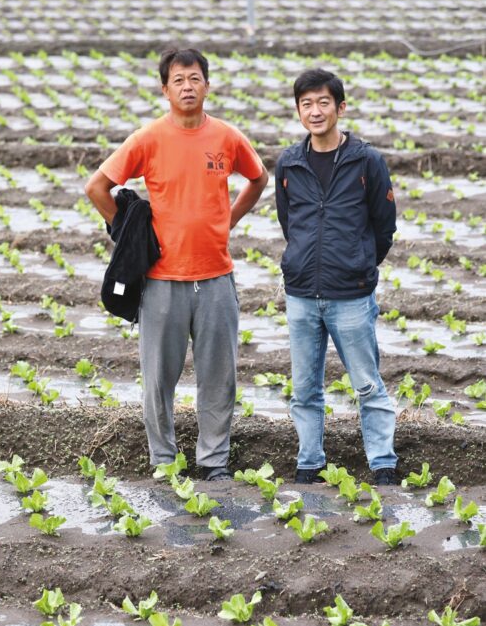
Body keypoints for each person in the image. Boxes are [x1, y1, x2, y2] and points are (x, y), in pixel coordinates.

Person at [85, 48, 268, 480]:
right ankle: (163, 462)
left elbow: (258, 178)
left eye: (195, 78)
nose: (188, 86)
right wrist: (128, 233)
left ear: (207, 84)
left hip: (216, 278)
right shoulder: (147, 138)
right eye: (179, 80)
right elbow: (97, 187)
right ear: (164, 88)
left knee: (218, 379)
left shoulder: (226, 137)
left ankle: (214, 463)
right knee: (157, 381)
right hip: (162, 280)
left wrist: (230, 219)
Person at [275, 67, 398, 485]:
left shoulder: (367, 160)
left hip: (351, 294)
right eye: (306, 104)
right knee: (305, 389)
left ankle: (383, 463)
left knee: (367, 383)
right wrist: (304, 260)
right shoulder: (290, 163)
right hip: (302, 294)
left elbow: (384, 227)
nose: (315, 111)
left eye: (323, 102)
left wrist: (359, 262)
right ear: (298, 111)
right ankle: (309, 463)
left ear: (340, 108)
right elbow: (288, 221)